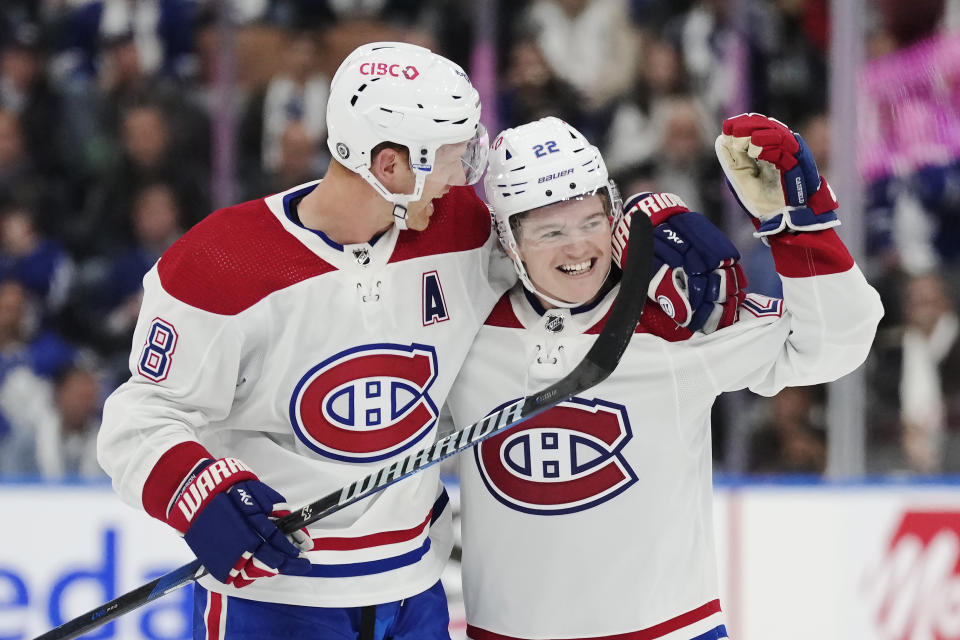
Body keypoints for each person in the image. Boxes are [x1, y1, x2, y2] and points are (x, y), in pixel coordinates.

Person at [97, 42, 506, 640]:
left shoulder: (463, 229)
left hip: (415, 589)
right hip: (275, 599)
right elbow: (140, 420)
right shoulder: (220, 263)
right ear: (391, 166)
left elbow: (570, 243)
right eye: (451, 157)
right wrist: (199, 494)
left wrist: (651, 226)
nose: (465, 174)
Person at [444, 114, 883, 639]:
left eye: (591, 221)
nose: (579, 248)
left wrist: (800, 227)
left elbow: (837, 345)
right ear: (507, 239)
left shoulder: (674, 317)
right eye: (551, 232)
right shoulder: (465, 329)